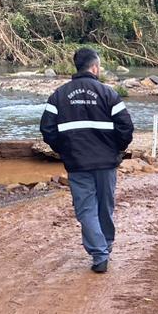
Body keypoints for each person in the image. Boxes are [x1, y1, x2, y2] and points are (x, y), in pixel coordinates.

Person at [40, 48, 134, 273]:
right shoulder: (108, 93)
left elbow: (47, 129)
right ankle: (105, 248)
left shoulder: (59, 95)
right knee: (105, 206)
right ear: (94, 67)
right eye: (99, 66)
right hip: (106, 163)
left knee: (86, 210)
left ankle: (99, 253)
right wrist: (116, 149)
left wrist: (64, 150)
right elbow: (126, 127)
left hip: (77, 163)